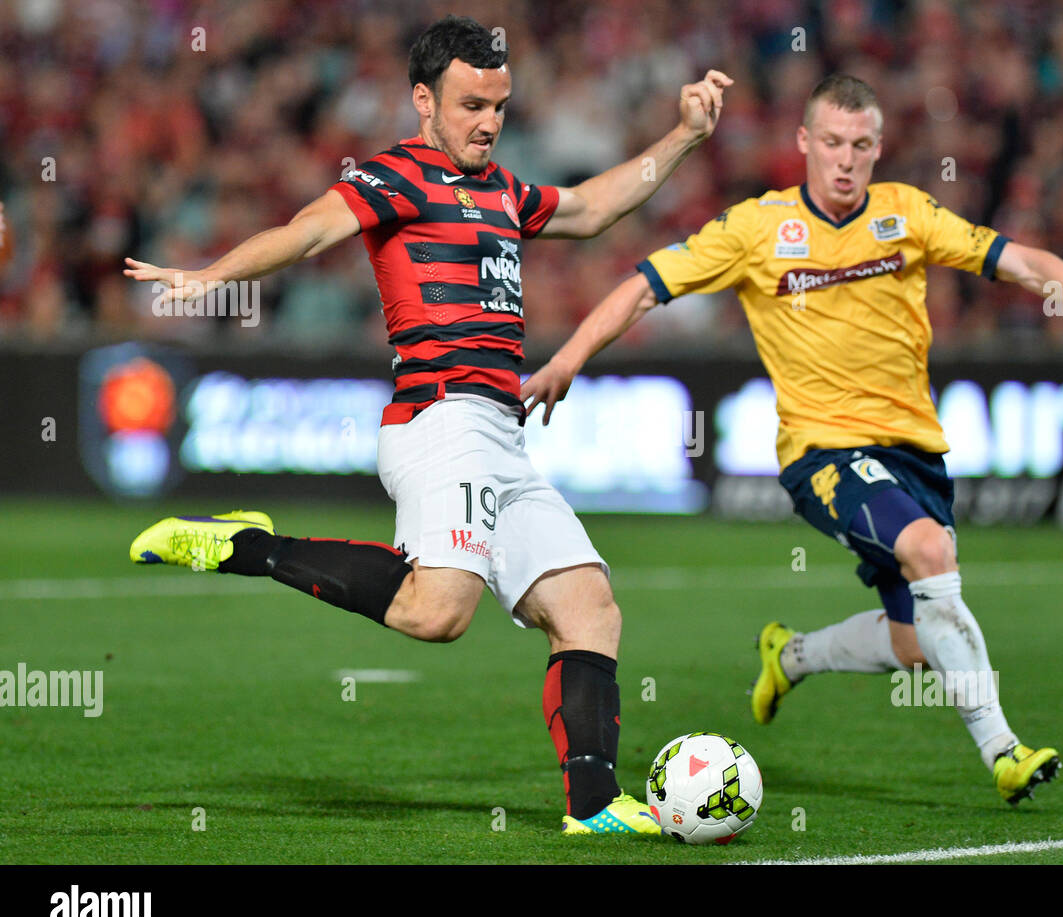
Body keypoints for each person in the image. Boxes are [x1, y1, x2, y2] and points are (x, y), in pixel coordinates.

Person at [124, 15, 732, 835]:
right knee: (435, 612)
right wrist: (211, 275)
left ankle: (592, 807)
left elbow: (591, 208)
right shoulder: (395, 179)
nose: (488, 121)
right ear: (423, 100)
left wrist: (686, 135)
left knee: (589, 604)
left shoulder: (506, 190)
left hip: (504, 432)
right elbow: (305, 231)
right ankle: (247, 545)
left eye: (500, 105)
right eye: (472, 104)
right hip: (438, 418)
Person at [521, 73, 1063, 805]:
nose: (845, 160)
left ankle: (791, 655)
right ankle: (1005, 751)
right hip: (822, 454)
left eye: (861, 145)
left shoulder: (907, 214)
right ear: (803, 142)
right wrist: (566, 360)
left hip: (914, 454)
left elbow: (1019, 262)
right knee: (930, 550)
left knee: (916, 641)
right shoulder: (756, 229)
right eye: (831, 142)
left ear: (878, 148)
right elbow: (643, 285)